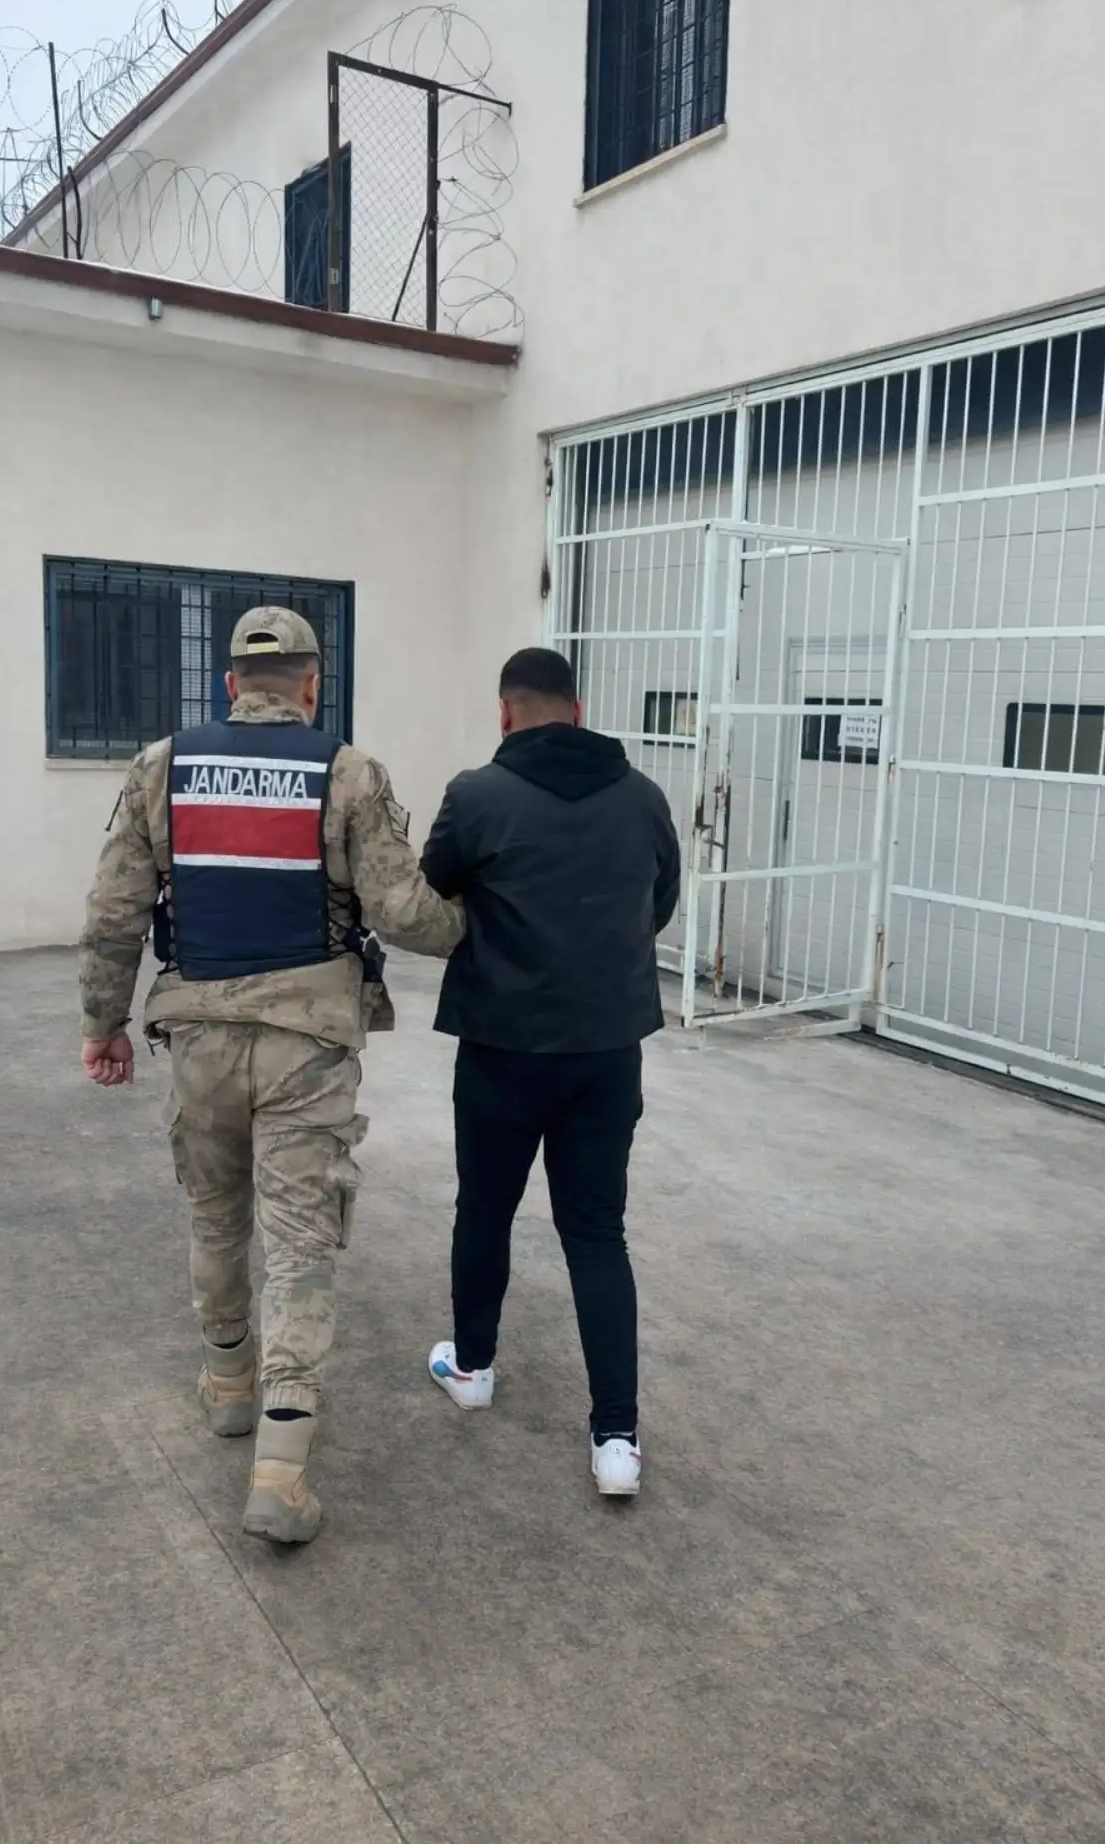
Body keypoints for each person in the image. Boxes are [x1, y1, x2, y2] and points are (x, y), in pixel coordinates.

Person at [79, 606, 463, 1544]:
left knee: (216, 1216)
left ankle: (226, 1386)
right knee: (298, 1242)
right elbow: (403, 913)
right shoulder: (347, 772)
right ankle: (281, 1474)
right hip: (307, 1048)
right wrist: (472, 925)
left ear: (228, 685)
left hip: (199, 1040)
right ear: (311, 685)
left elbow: (114, 912)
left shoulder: (160, 767)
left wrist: (104, 1024)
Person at [420, 647, 681, 1496]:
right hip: (606, 1051)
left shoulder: (477, 796)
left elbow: (429, 895)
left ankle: (472, 1369)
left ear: (505, 713)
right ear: (578, 709)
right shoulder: (643, 797)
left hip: (501, 1047)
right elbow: (660, 902)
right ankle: (617, 1440)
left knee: (484, 1211)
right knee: (597, 1235)